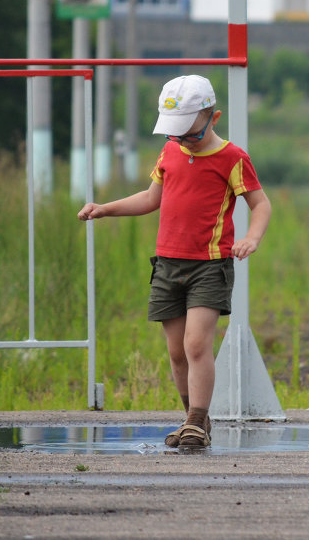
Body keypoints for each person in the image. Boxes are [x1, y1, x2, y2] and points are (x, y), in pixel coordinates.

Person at [77, 74, 271, 449]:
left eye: (190, 134)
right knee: (176, 350)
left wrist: (251, 238)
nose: (182, 141)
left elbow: (260, 204)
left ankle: (197, 421)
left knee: (197, 344)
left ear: (212, 118)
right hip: (167, 264)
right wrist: (105, 209)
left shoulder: (232, 158)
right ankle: (193, 419)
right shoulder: (169, 153)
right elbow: (152, 199)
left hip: (209, 265)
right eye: (175, 133)